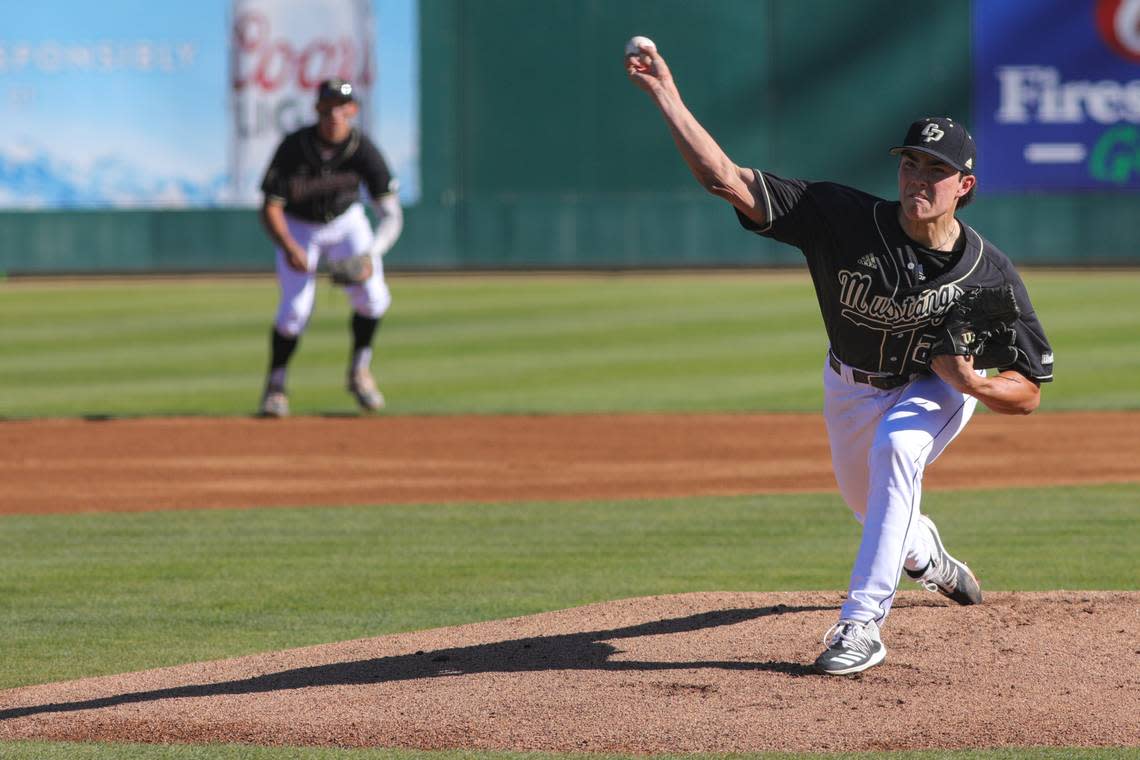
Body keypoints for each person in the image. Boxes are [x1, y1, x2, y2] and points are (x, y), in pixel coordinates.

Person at [625, 42, 1053, 675]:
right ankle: (925, 557)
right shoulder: (842, 218)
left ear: (964, 186)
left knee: (900, 449)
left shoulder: (990, 276)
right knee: (871, 499)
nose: (917, 179)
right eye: (910, 163)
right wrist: (666, 95)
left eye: (934, 169)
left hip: (936, 390)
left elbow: (1031, 386)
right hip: (848, 387)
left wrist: (974, 385)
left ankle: (861, 624)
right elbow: (726, 179)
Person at [257, 77, 403, 417]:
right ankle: (276, 386)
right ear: (317, 108)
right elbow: (270, 207)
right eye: (328, 106)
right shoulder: (295, 146)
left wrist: (371, 254)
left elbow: (391, 214)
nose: (335, 113)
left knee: (374, 297)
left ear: (353, 110)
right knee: (294, 312)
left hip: (345, 223)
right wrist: (288, 245)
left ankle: (360, 372)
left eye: (342, 105)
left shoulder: (363, 150)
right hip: (299, 227)